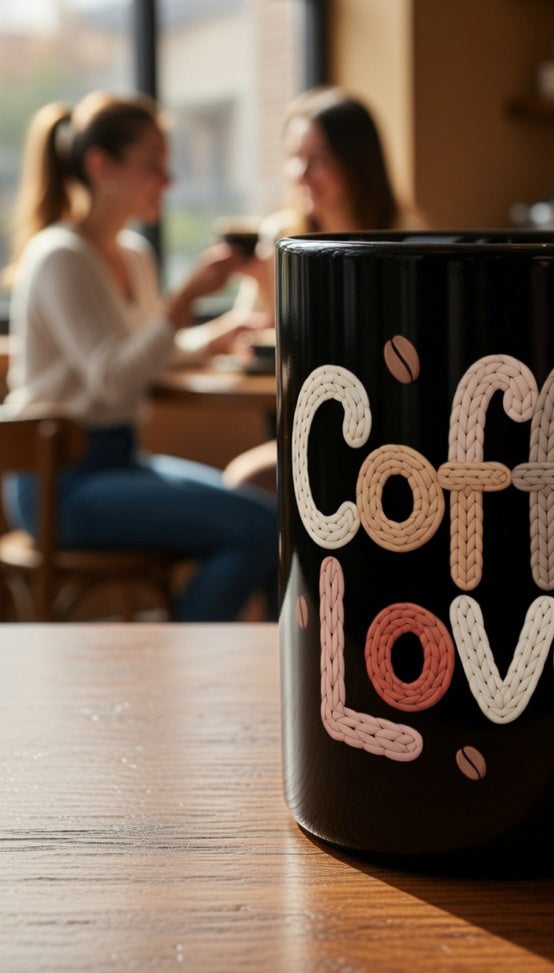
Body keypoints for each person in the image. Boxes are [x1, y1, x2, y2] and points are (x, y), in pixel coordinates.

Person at [1, 91, 277, 621]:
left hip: (121, 459)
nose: (168, 181)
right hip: (60, 481)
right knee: (252, 528)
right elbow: (114, 382)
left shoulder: (134, 253)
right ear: (102, 166)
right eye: (154, 165)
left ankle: (236, 665)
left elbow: (152, 356)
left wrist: (220, 332)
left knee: (267, 518)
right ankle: (174, 665)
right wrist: (183, 301)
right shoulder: (60, 257)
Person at [222, 88, 411, 492]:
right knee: (242, 482)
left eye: (318, 159)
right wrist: (260, 287)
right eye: (295, 158)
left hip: (386, 429)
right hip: (302, 425)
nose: (301, 174)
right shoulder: (281, 237)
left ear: (357, 163)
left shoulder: (404, 244)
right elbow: (257, 339)